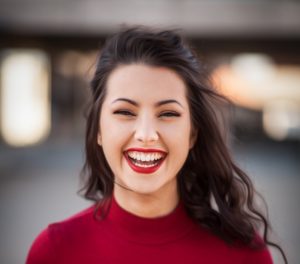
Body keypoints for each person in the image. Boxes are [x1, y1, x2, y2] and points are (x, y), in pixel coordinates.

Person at [26, 26, 287, 264]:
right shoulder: (55, 251)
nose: (147, 134)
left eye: (168, 114)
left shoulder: (244, 254)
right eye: (125, 112)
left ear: (193, 134)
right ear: (98, 130)